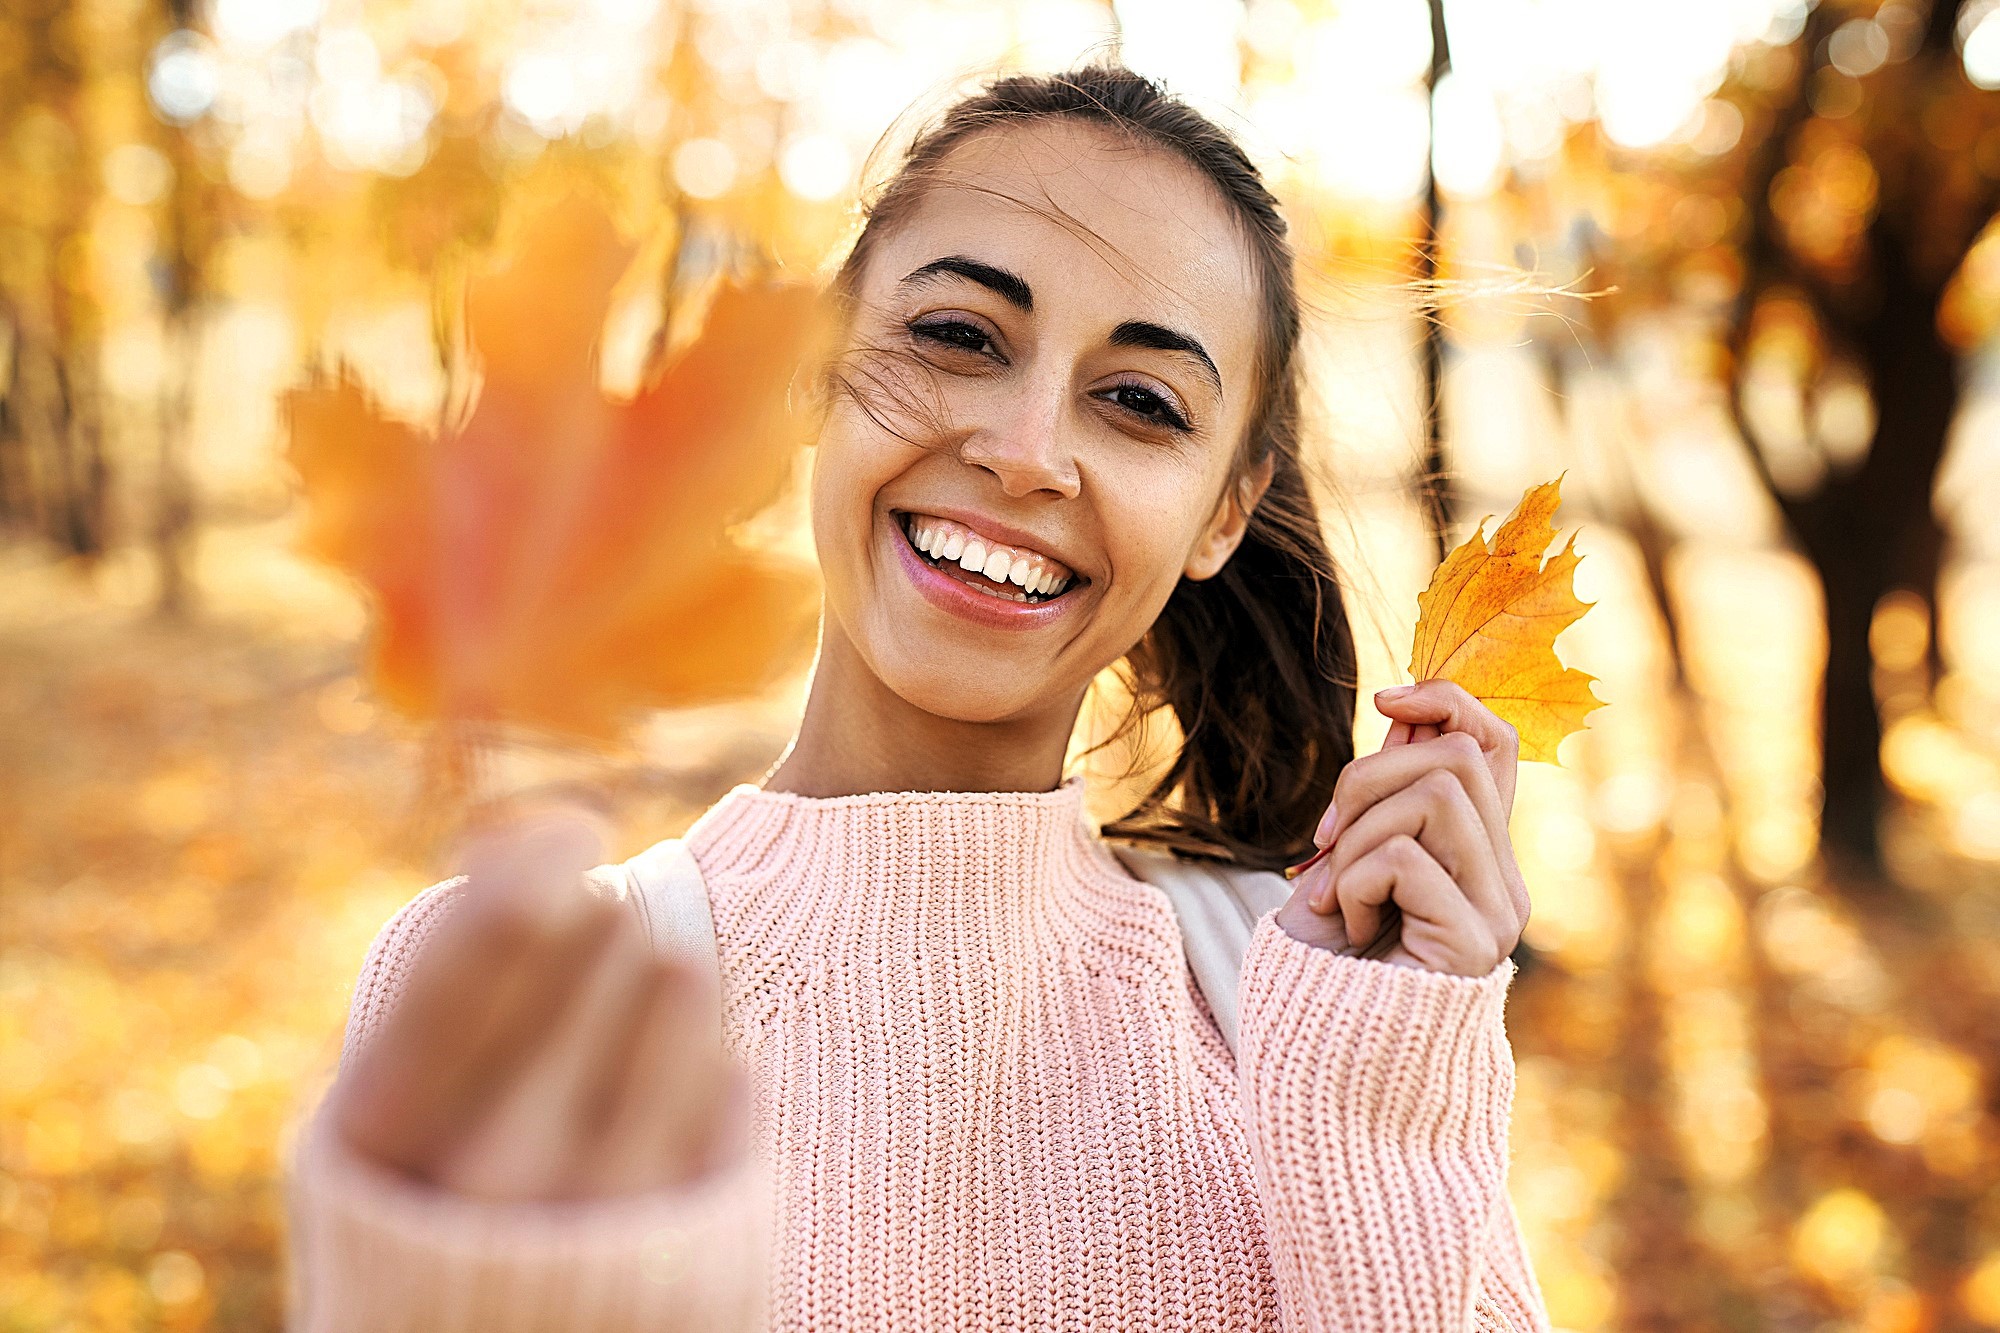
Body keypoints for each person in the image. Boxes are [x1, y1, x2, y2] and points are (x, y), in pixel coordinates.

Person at [286, 62, 1549, 1333]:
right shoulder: (539, 1000)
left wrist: (1374, 1109)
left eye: (1136, 402)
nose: (1023, 450)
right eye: (957, 337)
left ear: (1223, 509)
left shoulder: (1313, 1002)